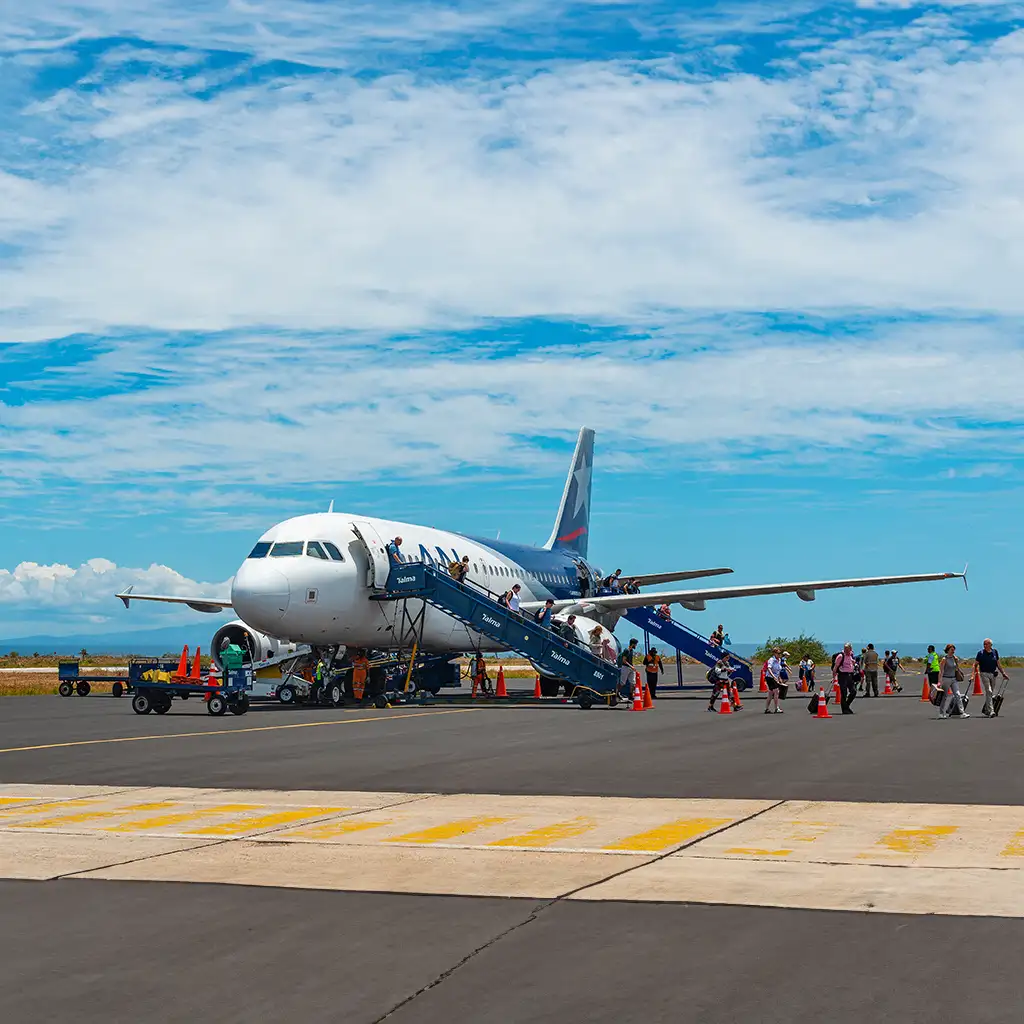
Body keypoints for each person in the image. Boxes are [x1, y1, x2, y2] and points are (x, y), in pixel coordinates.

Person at [973, 639, 1009, 718]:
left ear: (990, 645)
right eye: (984, 644)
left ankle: (986, 709)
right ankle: (991, 711)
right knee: (988, 691)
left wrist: (1003, 673)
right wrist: (974, 674)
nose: (985, 645)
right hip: (984, 674)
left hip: (993, 674)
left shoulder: (995, 652)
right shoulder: (980, 653)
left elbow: (998, 664)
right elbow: (975, 664)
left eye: (986, 644)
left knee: (990, 693)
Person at [939, 643, 968, 718]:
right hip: (946, 679)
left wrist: (958, 662)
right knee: (944, 696)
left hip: (953, 679)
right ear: (948, 650)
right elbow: (941, 670)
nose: (953, 651)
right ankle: (941, 713)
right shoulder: (944, 659)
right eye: (952, 650)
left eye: (954, 650)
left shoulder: (954, 658)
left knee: (957, 695)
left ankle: (962, 712)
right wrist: (939, 681)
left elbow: (956, 668)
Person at [831, 642, 858, 715]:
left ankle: (846, 706)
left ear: (851, 649)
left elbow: (851, 663)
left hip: (850, 675)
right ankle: (845, 709)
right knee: (844, 693)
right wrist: (834, 678)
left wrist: (854, 664)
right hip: (842, 676)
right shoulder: (840, 656)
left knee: (853, 691)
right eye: (845, 649)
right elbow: (835, 667)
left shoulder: (850, 655)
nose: (846, 650)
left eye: (848, 649)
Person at [764, 647, 784, 714]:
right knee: (776, 691)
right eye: (778, 653)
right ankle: (776, 708)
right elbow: (769, 668)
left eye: (780, 653)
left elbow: (778, 670)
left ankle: (767, 708)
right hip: (770, 677)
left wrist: (779, 678)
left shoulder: (779, 660)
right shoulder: (771, 660)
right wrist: (774, 677)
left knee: (770, 693)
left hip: (775, 677)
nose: (779, 655)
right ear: (774, 653)